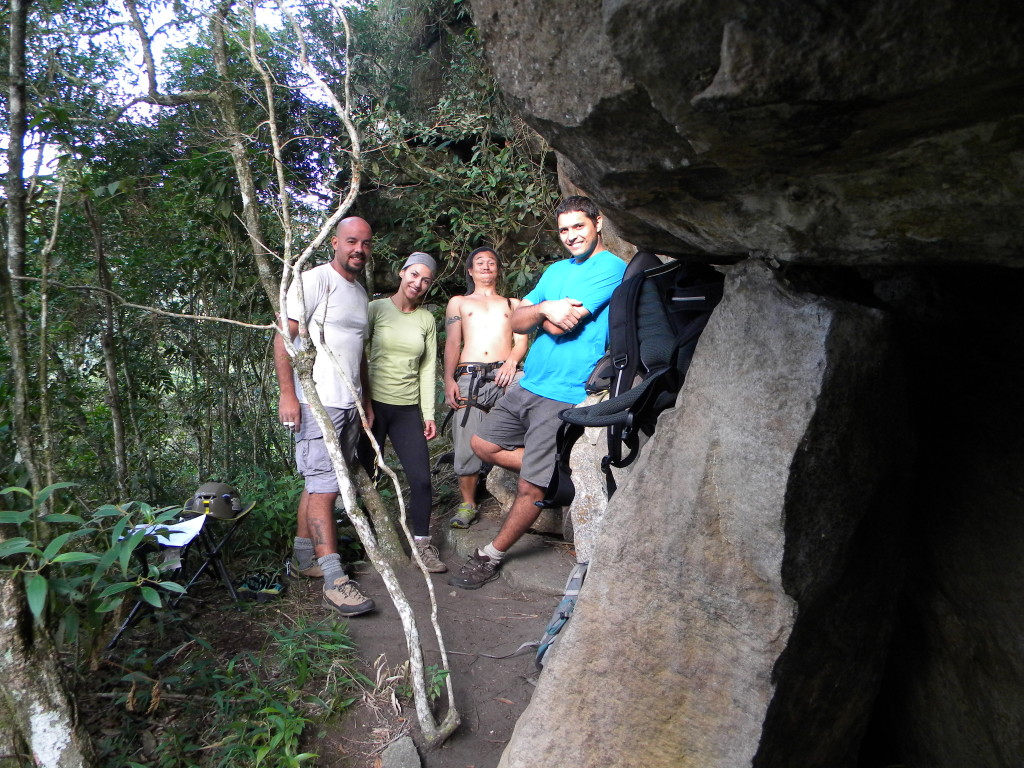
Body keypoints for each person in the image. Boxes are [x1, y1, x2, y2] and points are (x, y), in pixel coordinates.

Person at [449, 196, 626, 589]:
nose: (571, 236)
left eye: (578, 227)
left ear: (597, 223)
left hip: (565, 389)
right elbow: (516, 318)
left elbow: (559, 327)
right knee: (482, 444)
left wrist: (540, 312)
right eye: (564, 230)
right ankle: (555, 472)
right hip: (529, 382)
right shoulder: (555, 270)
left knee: (530, 486)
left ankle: (491, 555)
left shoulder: (611, 269)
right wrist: (548, 309)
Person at [275, 216, 376, 617]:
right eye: (351, 241)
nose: (358, 250)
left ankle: (305, 559)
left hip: (348, 403)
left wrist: (364, 400)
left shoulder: (359, 292)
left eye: (365, 244)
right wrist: (288, 394)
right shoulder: (315, 280)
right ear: (334, 242)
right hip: (318, 402)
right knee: (325, 490)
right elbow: (285, 335)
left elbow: (357, 351)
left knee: (320, 482)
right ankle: (335, 580)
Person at [362, 252, 446, 572]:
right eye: (414, 275)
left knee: (422, 480)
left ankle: (422, 546)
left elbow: (427, 369)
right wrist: (362, 403)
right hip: (372, 407)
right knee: (366, 475)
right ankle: (366, 540)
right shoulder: (375, 309)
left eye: (425, 280)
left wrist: (429, 413)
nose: (418, 283)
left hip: (407, 408)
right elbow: (359, 356)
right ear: (402, 273)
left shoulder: (426, 319)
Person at [443, 246, 528, 528]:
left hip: (507, 373)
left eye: (491, 262)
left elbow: (521, 341)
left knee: (535, 401)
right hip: (470, 375)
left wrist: (511, 363)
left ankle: (529, 486)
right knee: (466, 436)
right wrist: (449, 380)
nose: (486, 266)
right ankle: (468, 503)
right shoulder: (459, 302)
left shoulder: (513, 304)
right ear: (470, 270)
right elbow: (453, 343)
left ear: (499, 269)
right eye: (479, 262)